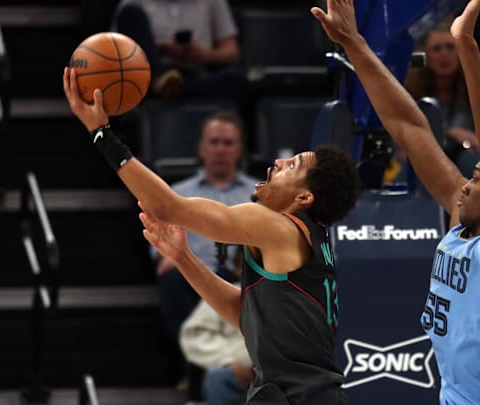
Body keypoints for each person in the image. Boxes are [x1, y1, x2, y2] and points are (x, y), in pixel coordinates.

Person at [62, 67, 361, 404]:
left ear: (303, 199)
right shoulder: (307, 241)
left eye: (293, 165)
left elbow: (168, 207)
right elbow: (243, 314)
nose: (278, 162)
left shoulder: (278, 226)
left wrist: (102, 134)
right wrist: (183, 257)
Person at [312, 0, 480, 402]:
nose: (464, 185)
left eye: (477, 179)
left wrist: (466, 46)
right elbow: (408, 127)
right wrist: (355, 45)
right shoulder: (465, 216)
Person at [154, 112, 258, 341]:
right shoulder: (177, 193)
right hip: (187, 275)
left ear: (240, 150)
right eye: (214, 142)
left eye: (228, 143)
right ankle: (194, 363)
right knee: (171, 280)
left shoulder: (257, 193)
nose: (221, 149)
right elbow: (159, 242)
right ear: (201, 148)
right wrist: (167, 255)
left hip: (237, 276)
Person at [113, 0, 245, 101]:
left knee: (236, 78)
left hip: (193, 76)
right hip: (146, 79)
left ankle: (175, 88)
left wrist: (204, 55)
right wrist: (160, 49)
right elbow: (114, 52)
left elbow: (232, 53)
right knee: (130, 13)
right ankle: (159, 81)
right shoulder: (133, 2)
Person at [405, 19, 480, 177]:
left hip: (466, 159)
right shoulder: (411, 93)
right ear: (425, 56)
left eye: (450, 47)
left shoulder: (474, 91)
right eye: (436, 49)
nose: (444, 54)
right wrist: (451, 133)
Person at [179, 247, 252, 405]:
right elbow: (193, 335)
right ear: (238, 267)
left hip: (282, 373)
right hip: (236, 374)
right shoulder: (222, 293)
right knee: (218, 378)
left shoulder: (292, 297)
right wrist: (231, 361)